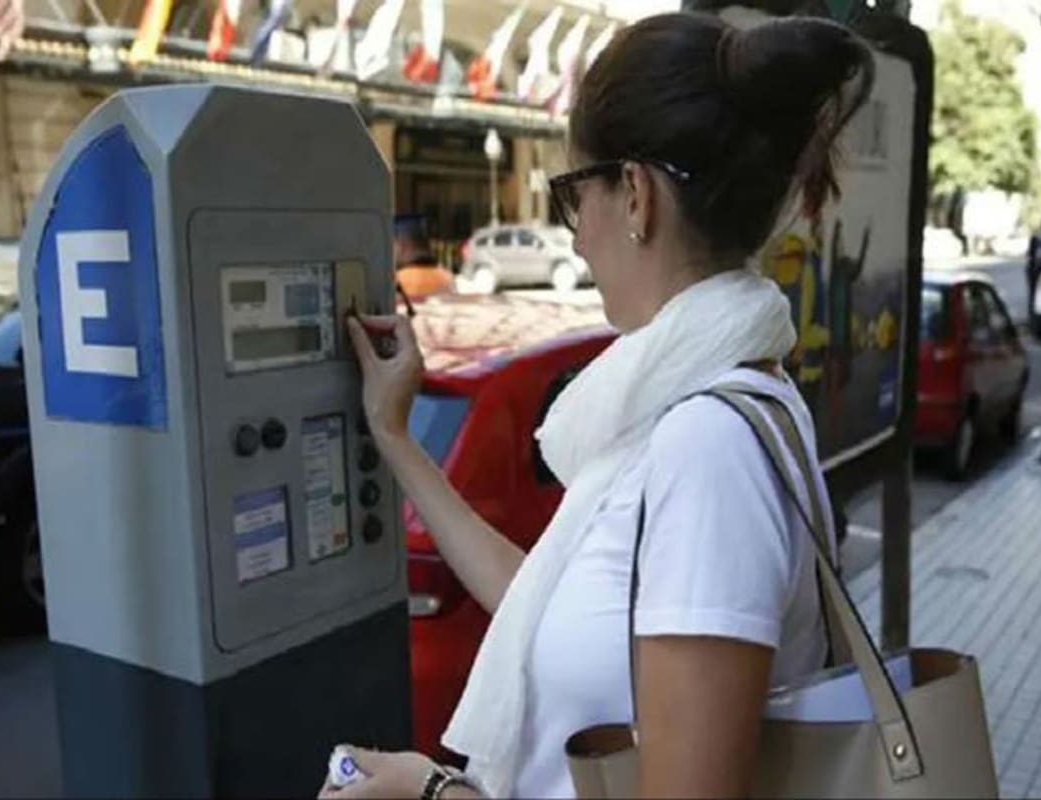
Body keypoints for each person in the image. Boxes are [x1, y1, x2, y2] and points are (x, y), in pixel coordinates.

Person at [324, 11, 873, 799]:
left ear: (637, 194)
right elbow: (546, 601)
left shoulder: (707, 446)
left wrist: (431, 792)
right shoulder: (684, 402)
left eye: (574, 196)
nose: (576, 237)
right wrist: (397, 437)